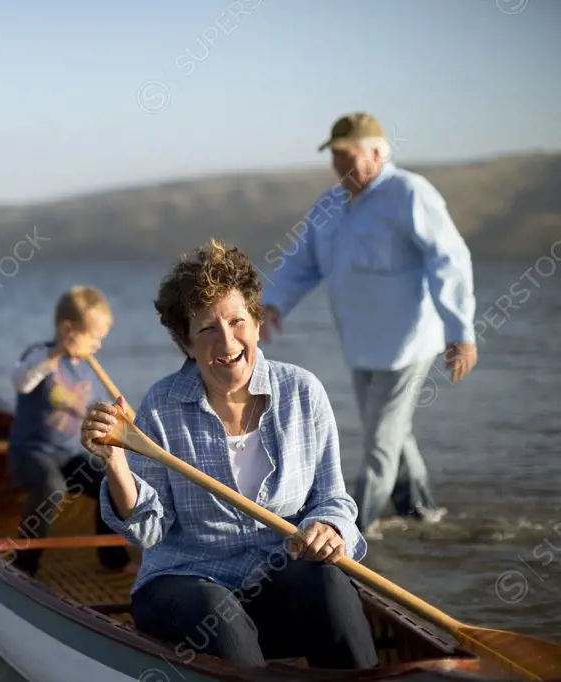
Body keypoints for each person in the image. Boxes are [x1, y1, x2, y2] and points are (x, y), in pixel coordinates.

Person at [81, 240, 379, 669]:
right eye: (206, 329)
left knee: (330, 583)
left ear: (257, 324)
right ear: (185, 342)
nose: (227, 341)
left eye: (238, 321)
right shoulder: (161, 406)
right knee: (220, 613)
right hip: (185, 586)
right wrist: (115, 463)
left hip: (274, 585)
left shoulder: (302, 393)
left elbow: (332, 499)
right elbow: (147, 532)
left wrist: (329, 529)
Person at [259, 112, 478, 536]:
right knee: (395, 433)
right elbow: (302, 263)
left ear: (380, 152)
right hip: (359, 345)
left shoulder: (409, 194)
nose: (341, 166)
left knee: (380, 440)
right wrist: (273, 304)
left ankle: (349, 532)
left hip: (406, 344)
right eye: (336, 157)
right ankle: (420, 512)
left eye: (349, 156)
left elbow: (449, 261)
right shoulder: (330, 204)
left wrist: (460, 332)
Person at [6, 285, 131, 576]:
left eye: (101, 338)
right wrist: (57, 350)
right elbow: (21, 382)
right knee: (52, 487)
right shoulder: (41, 356)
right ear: (67, 329)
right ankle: (25, 564)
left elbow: (94, 413)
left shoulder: (89, 369)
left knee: (108, 481)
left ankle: (113, 560)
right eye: (94, 337)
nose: (98, 345)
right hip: (31, 454)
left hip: (71, 456)